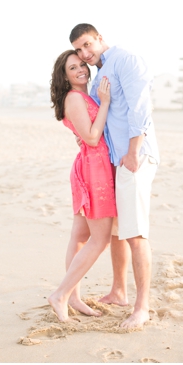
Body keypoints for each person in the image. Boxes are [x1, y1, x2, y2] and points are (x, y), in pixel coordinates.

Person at [70, 23, 159, 329]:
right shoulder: (99, 76)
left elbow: (139, 108)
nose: (85, 53)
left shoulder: (126, 60)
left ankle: (142, 307)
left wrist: (134, 151)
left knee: (135, 234)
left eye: (87, 45)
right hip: (116, 161)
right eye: (80, 50)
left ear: (100, 39)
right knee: (119, 232)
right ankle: (119, 291)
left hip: (133, 156)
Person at [46, 50, 116, 322]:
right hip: (94, 169)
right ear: (64, 76)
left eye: (81, 65)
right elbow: (90, 136)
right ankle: (61, 294)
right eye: (72, 68)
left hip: (90, 165)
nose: (80, 70)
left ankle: (73, 298)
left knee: (80, 237)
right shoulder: (75, 97)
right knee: (99, 240)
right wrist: (107, 102)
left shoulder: (82, 96)